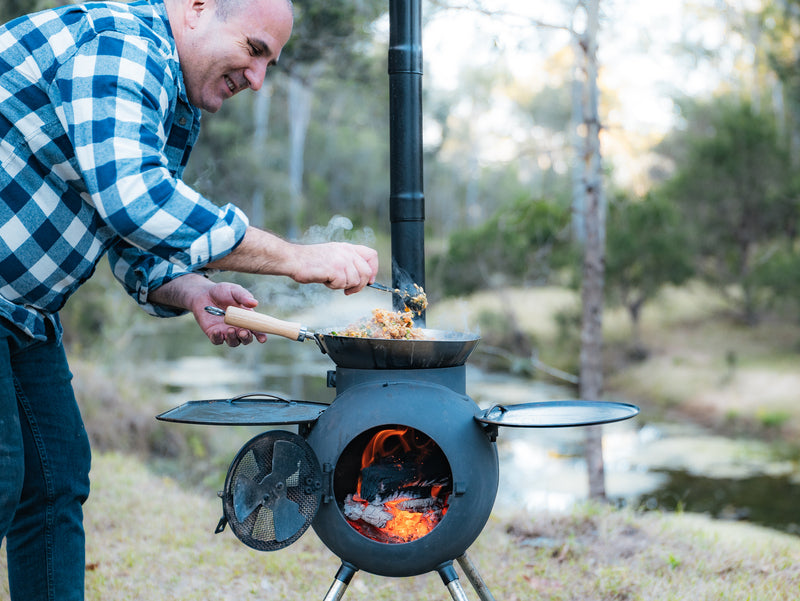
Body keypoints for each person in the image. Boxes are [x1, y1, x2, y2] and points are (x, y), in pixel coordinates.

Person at [0, 0, 378, 599]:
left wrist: (195, 288)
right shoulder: (122, 43)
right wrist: (298, 259)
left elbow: (134, 242)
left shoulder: (175, 106)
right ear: (198, 8)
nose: (256, 79)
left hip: (22, 313)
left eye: (269, 64)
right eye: (254, 51)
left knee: (54, 483)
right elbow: (136, 199)